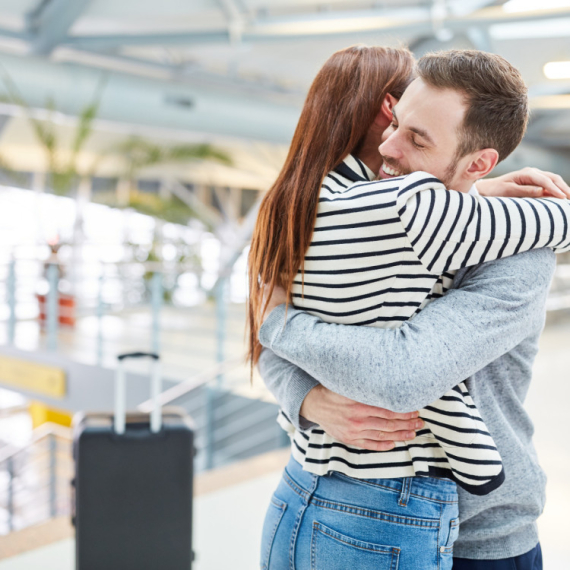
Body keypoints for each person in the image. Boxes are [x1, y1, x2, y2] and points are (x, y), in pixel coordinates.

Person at [251, 48, 570, 570]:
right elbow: (271, 349)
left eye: (416, 138)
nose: (386, 147)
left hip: (479, 537)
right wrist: (306, 399)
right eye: (393, 121)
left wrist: (279, 321)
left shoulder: (518, 252)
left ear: (478, 164)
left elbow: (402, 373)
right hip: (347, 501)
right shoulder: (360, 221)